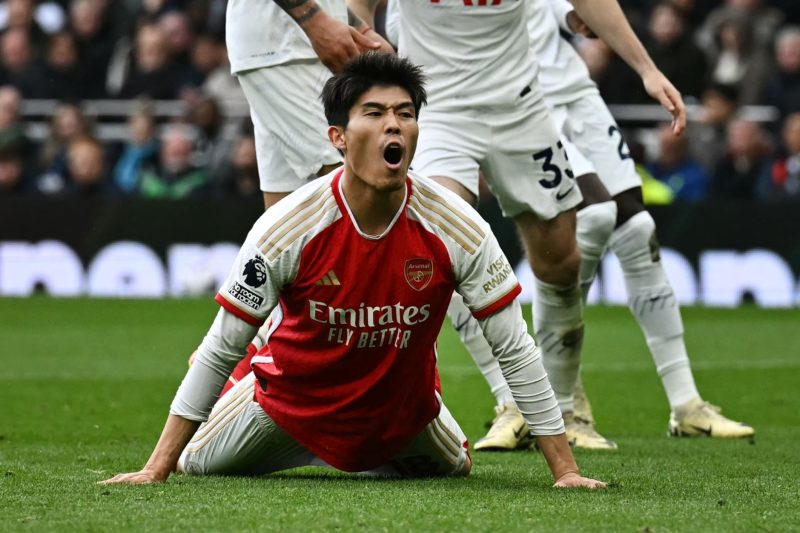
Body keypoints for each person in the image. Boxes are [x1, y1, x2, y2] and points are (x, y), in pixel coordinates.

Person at [100, 53, 605, 489]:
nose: (394, 125)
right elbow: (218, 345)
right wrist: (156, 468)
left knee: (456, 469)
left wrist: (565, 473)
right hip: (284, 412)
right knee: (196, 464)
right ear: (338, 137)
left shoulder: (459, 228)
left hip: (398, 420)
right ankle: (251, 372)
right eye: (376, 112)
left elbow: (515, 349)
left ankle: (377, 435)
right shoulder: (286, 227)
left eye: (405, 114)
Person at [361, 0, 686, 450]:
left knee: (561, 260)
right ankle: (501, 401)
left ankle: (564, 409)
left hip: (520, 109)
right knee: (440, 242)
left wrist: (646, 69)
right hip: (440, 111)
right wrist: (359, 43)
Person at [445, 0, 753, 449]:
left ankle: (685, 404)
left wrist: (588, 26)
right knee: (573, 221)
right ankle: (538, 402)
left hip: (573, 94)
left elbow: (569, 11)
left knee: (635, 230)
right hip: (518, 108)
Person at [226, 0, 392, 210]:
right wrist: (316, 23)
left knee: (285, 213)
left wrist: (361, 30)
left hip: (291, 48)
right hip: (286, 50)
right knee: (359, 182)